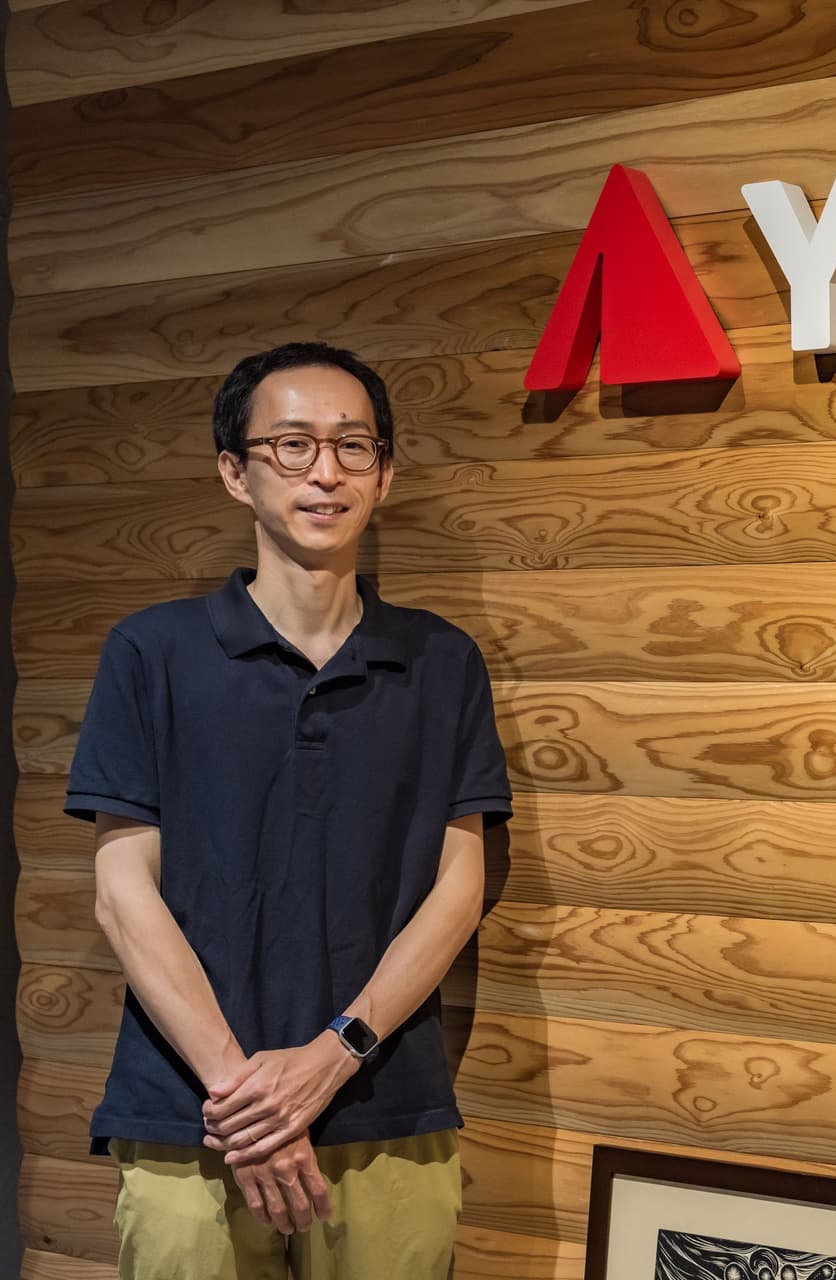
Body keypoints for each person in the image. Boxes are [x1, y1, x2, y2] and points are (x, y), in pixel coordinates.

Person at [64, 342, 513, 1279]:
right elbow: (122, 892)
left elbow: (459, 885)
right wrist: (250, 1099)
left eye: (354, 447)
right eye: (293, 444)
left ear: (384, 474)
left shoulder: (441, 661)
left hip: (384, 1102)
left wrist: (333, 1057)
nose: (326, 471)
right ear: (236, 471)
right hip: (194, 1112)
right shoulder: (152, 653)